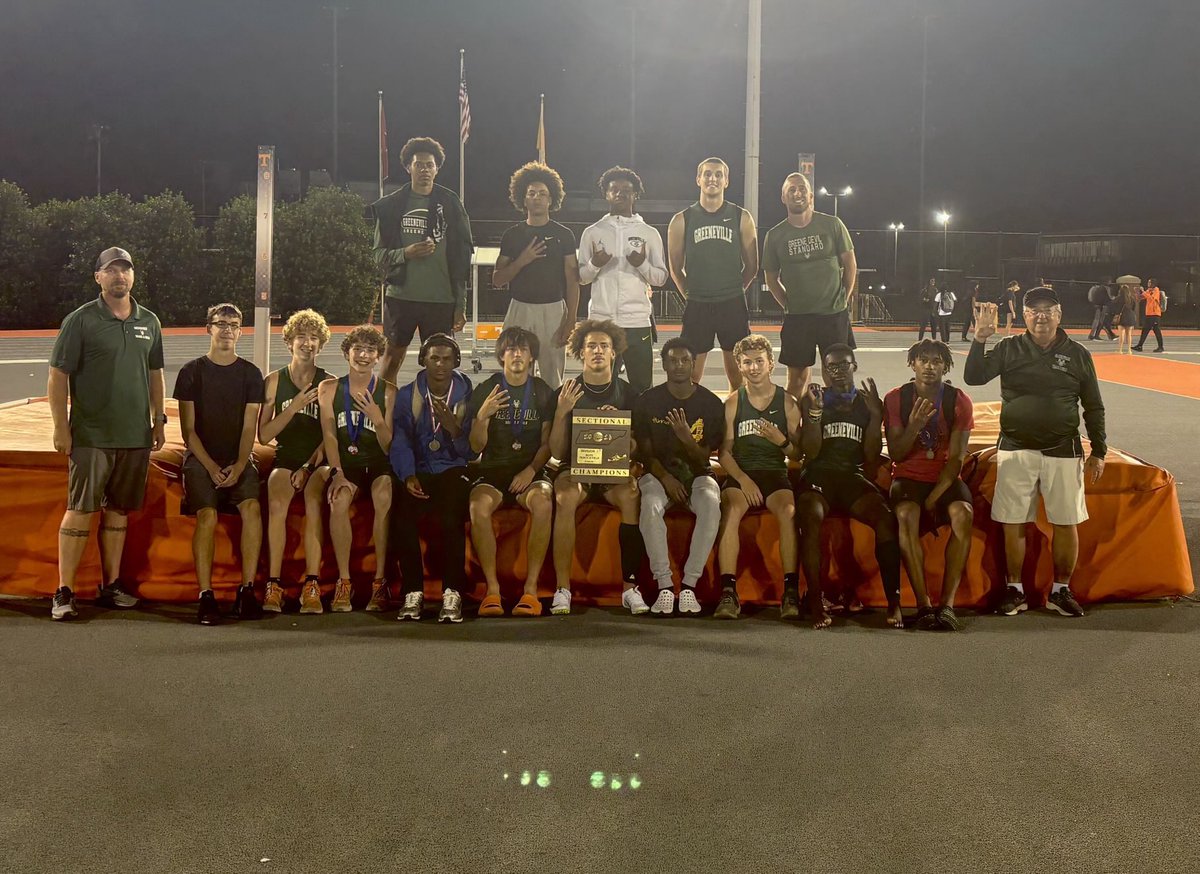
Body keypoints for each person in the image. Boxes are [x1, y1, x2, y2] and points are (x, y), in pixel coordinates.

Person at [966, 289, 1107, 618]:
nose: (1041, 316)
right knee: (1013, 522)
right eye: (1033, 310)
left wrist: (1098, 449)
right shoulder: (1009, 348)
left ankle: (1061, 590)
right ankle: (1014, 590)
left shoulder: (1077, 354)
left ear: (1060, 314)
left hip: (1064, 449)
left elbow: (1093, 405)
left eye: (1048, 310)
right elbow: (974, 377)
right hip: (1016, 448)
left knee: (1066, 521)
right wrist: (979, 339)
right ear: (1024, 315)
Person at [47, 246, 166, 620]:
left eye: (125, 270)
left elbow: (155, 374)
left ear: (133, 276)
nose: (120, 276)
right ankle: (64, 591)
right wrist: (60, 428)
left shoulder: (150, 321)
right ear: (98, 277)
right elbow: (58, 375)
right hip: (92, 435)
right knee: (80, 510)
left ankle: (111, 586)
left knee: (118, 513)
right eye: (111, 270)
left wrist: (158, 420)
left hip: (134, 435)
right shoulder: (80, 321)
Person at [796, 344, 905, 630]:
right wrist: (815, 414)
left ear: (855, 366)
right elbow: (811, 451)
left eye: (844, 365)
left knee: (884, 517)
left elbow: (869, 457)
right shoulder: (814, 398)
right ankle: (816, 600)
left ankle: (894, 601)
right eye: (832, 367)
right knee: (810, 514)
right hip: (819, 472)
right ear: (825, 371)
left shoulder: (866, 402)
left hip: (850, 475)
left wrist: (874, 418)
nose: (838, 371)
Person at [173, 303, 264, 626]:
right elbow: (188, 431)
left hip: (237, 457)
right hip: (201, 457)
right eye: (221, 323)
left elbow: (249, 427)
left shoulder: (251, 374)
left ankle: (247, 590)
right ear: (208, 328)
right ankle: (206, 595)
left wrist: (240, 465)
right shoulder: (191, 372)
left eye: (234, 325)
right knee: (207, 515)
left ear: (240, 331)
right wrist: (211, 467)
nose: (227, 330)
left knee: (252, 508)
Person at [549, 319, 643, 615]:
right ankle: (563, 588)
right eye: (591, 346)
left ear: (614, 353)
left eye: (604, 346)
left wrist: (619, 429)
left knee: (630, 495)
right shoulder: (566, 391)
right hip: (575, 469)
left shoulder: (628, 394)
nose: (598, 351)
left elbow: (635, 448)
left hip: (611, 472)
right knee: (564, 496)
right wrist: (562, 413)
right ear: (581, 351)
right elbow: (555, 451)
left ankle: (630, 588)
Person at [882, 340, 975, 631]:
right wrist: (915, 425)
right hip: (908, 476)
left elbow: (957, 457)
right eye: (924, 360)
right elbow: (896, 453)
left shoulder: (958, 400)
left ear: (946, 367)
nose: (930, 367)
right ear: (913, 364)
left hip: (944, 477)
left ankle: (947, 604)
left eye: (937, 362)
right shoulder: (897, 398)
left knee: (964, 514)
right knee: (906, 515)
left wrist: (934, 497)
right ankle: (923, 604)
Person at [466, 327, 556, 617]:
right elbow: (475, 445)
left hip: (528, 473)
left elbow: (547, 444)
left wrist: (531, 470)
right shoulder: (487, 389)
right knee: (478, 505)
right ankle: (492, 590)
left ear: (532, 357)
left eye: (523, 350)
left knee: (543, 501)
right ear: (501, 355)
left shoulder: (542, 391)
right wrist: (482, 416)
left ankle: (530, 591)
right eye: (511, 349)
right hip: (493, 471)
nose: (517, 354)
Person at [632, 339, 725, 616]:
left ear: (694, 364)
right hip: (659, 475)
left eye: (685, 360)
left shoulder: (709, 403)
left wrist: (687, 438)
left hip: (697, 474)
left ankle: (688, 586)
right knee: (649, 504)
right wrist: (665, 479)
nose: (679, 365)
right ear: (664, 364)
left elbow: (702, 459)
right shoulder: (648, 401)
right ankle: (663, 585)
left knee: (710, 503)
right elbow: (646, 456)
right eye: (673, 360)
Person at [370, 136, 474, 383]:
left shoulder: (450, 204)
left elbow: (462, 257)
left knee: (440, 368)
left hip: (440, 299)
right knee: (391, 361)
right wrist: (406, 253)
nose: (425, 170)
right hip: (401, 298)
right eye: (419, 165)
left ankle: (436, 419)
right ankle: (386, 416)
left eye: (430, 165)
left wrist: (461, 305)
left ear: (437, 168)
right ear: (408, 167)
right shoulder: (391, 206)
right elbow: (377, 256)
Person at [713, 334, 802, 620]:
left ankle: (790, 592)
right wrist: (742, 479)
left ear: (771, 363)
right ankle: (728, 592)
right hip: (742, 473)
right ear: (738, 365)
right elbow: (723, 452)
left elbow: (799, 454)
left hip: (774, 473)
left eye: (758, 362)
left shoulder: (787, 402)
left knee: (788, 511)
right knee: (732, 509)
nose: (753, 368)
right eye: (747, 362)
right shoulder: (732, 403)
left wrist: (782, 441)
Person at [390, 333, 475, 622]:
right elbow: (400, 439)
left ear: (456, 362)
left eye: (447, 359)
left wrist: (453, 429)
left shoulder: (467, 394)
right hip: (421, 470)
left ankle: (452, 592)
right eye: (434, 358)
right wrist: (408, 474)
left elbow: (471, 450)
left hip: (453, 468)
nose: (440, 364)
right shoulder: (407, 395)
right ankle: (412, 591)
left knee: (451, 518)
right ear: (423, 360)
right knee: (402, 518)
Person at [316, 325, 396, 614]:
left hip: (377, 464)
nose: (363, 355)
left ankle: (380, 581)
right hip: (345, 465)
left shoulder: (388, 392)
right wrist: (336, 471)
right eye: (358, 349)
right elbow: (329, 435)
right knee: (338, 501)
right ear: (347, 352)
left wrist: (377, 418)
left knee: (385, 495)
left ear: (378, 357)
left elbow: (389, 447)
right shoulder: (329, 388)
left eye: (370, 350)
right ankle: (344, 581)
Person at [258, 309, 333, 613]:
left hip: (317, 459)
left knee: (314, 497)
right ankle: (273, 584)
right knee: (276, 495)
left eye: (314, 338)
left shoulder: (328, 383)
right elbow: (264, 435)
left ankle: (311, 584)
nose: (307, 343)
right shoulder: (275, 381)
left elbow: (330, 435)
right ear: (289, 342)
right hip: (287, 454)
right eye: (301, 337)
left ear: (321, 344)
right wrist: (295, 407)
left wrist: (308, 467)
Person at [762, 172, 858, 400]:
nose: (797, 193)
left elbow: (850, 263)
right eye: (791, 190)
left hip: (833, 315)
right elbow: (771, 278)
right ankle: (794, 430)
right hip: (798, 317)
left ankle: (834, 424)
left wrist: (843, 298)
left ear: (811, 196)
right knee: (796, 379)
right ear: (783, 197)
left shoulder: (832, 224)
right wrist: (789, 303)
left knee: (836, 376)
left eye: (802, 189)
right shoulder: (775, 235)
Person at [667, 157, 759, 391]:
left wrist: (734, 290)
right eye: (707, 173)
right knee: (690, 375)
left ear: (726, 181)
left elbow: (752, 266)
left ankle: (733, 423)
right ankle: (691, 425)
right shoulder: (681, 220)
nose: (713, 178)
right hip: (698, 304)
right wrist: (690, 293)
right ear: (698, 179)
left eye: (719, 174)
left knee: (738, 376)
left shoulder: (742, 216)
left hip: (732, 304)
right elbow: (675, 267)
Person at [578, 166, 668, 396]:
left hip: (637, 322)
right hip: (602, 322)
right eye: (614, 189)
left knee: (641, 387)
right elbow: (581, 277)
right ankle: (600, 429)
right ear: (606, 194)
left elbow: (660, 278)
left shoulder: (649, 233)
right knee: (599, 384)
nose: (620, 194)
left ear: (635, 194)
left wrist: (641, 264)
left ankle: (639, 431)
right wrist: (596, 263)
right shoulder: (592, 232)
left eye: (626, 190)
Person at [491, 161, 579, 390]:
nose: (537, 197)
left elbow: (572, 281)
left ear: (551, 199)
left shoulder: (564, 235)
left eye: (542, 193)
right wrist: (523, 260)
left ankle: (552, 425)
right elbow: (498, 279)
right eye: (531, 193)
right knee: (515, 373)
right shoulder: (512, 235)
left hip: (553, 310)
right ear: (523, 198)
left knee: (552, 379)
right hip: (519, 308)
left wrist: (570, 321)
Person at [1133, 278, 1165, 353]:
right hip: (1149, 314)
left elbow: (1151, 298)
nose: (1148, 283)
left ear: (1153, 283)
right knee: (1145, 330)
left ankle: (1161, 347)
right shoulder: (1148, 291)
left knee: (1157, 331)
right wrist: (1137, 292)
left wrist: (1143, 291)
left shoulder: (1156, 290)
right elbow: (1140, 298)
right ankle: (1139, 346)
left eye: (1149, 282)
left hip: (1155, 314)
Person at [1115, 281, 1139, 355]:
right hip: (1130, 316)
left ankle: (1120, 350)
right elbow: (1134, 308)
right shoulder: (1131, 299)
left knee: (1121, 334)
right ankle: (1129, 350)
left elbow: (1117, 309)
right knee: (1129, 334)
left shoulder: (1119, 298)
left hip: (1122, 317)